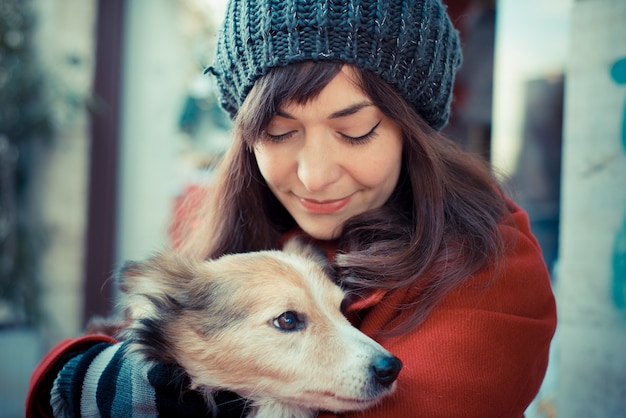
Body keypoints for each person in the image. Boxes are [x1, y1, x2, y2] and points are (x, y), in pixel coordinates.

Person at [26, 0, 557, 416]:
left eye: (355, 131)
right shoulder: (246, 242)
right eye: (280, 133)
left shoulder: (491, 265)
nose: (314, 175)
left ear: (411, 132)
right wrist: (76, 378)